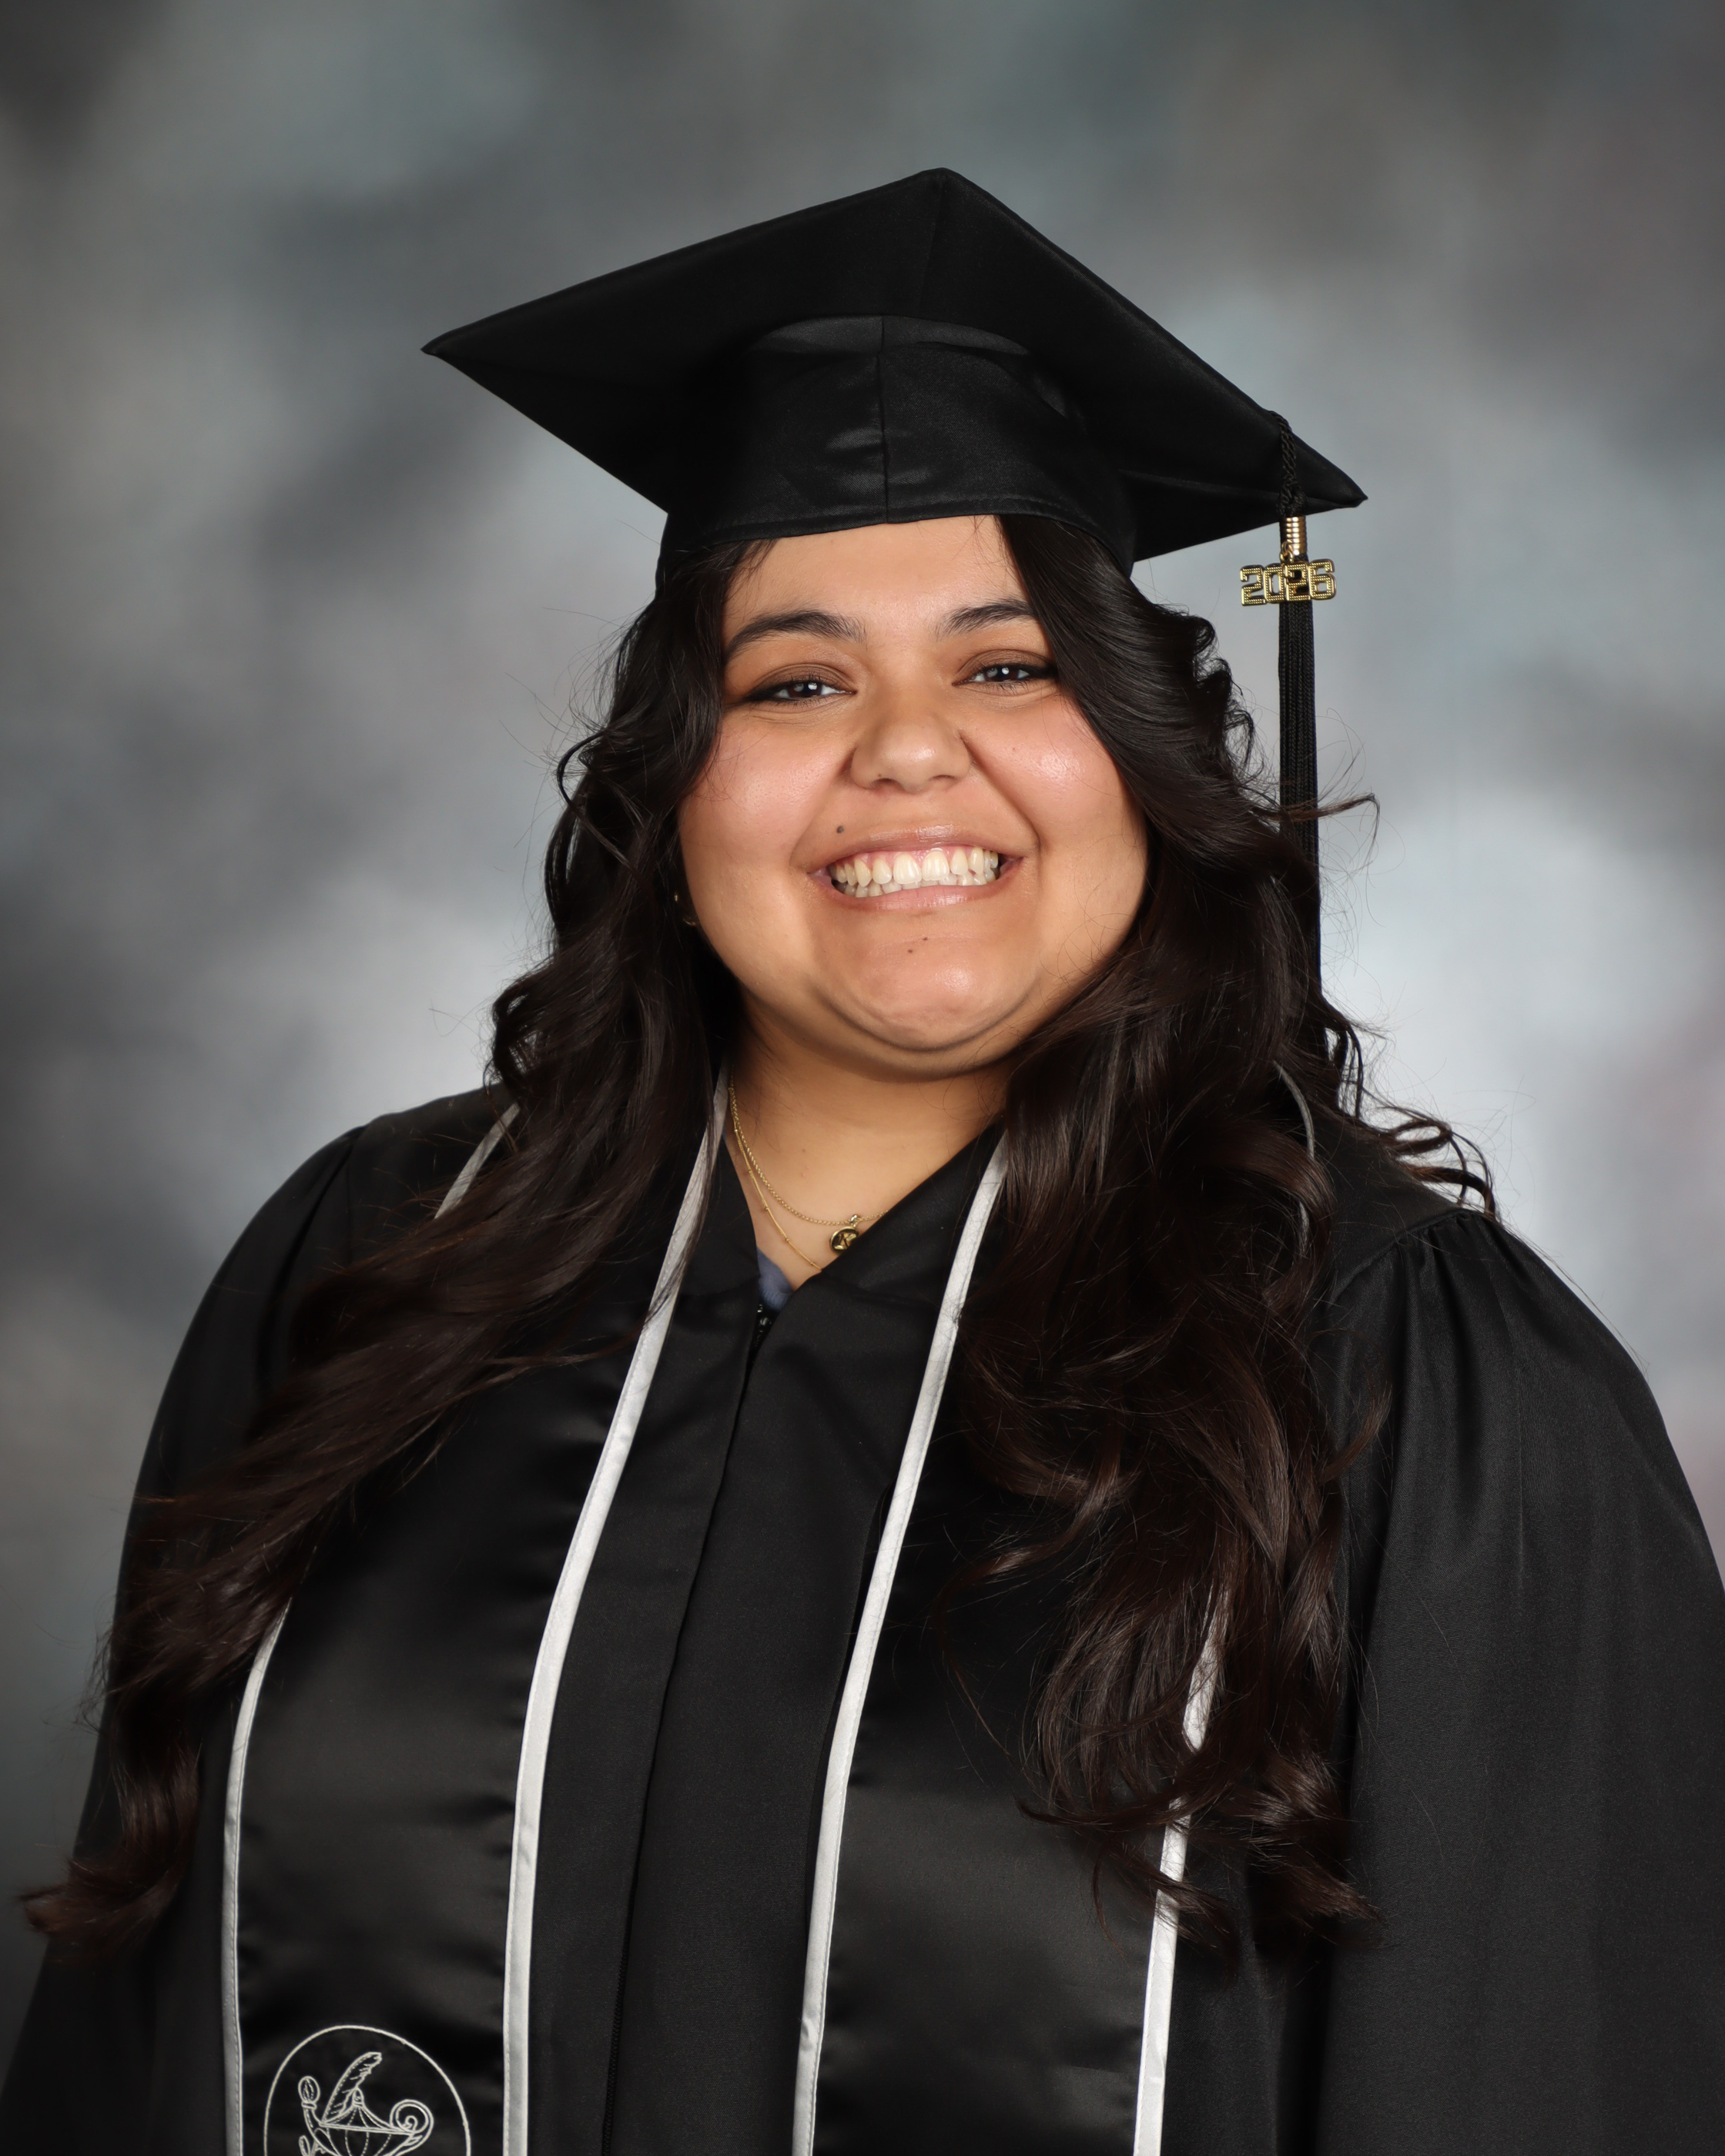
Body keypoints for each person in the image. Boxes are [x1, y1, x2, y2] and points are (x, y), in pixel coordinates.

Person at [4, 169, 1722, 2156]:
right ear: (678, 781)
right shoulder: (376, 1274)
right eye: (798, 679)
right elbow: (129, 2032)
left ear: (1144, 756)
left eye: (1009, 667)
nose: (905, 753)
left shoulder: (1406, 1391)